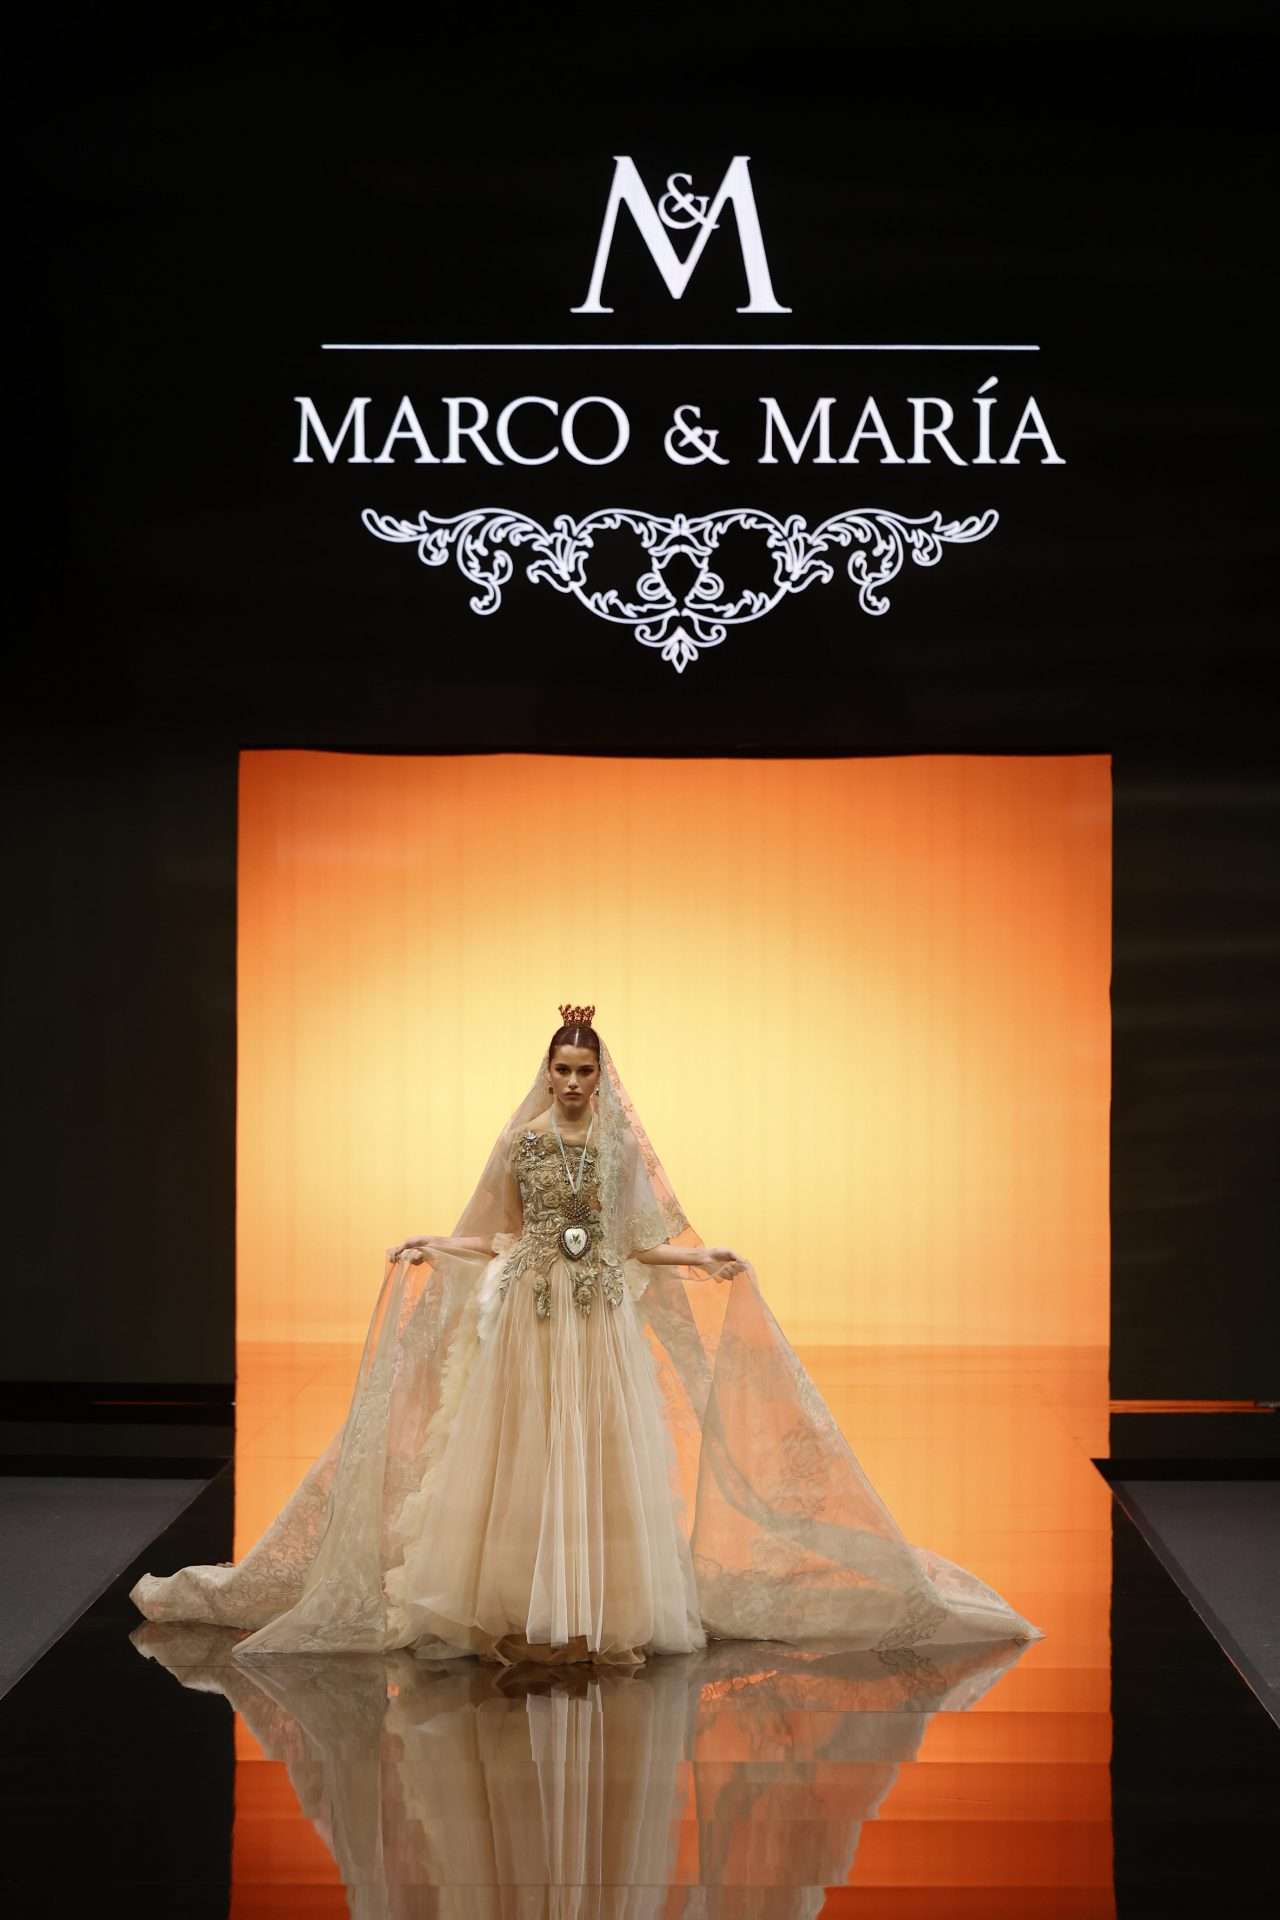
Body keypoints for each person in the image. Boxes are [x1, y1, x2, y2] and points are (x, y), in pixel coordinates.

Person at [131, 1005, 1044, 1668]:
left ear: (601, 1077)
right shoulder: (523, 1144)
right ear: (547, 1072)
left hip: (598, 1317)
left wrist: (700, 1257)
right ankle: (515, 1603)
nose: (572, 1082)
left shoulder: (617, 1149)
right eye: (562, 1069)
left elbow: (634, 1238)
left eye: (584, 1071)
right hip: (531, 1318)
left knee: (598, 1456)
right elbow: (492, 1229)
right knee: (525, 1456)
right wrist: (431, 1244)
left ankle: (594, 1606)